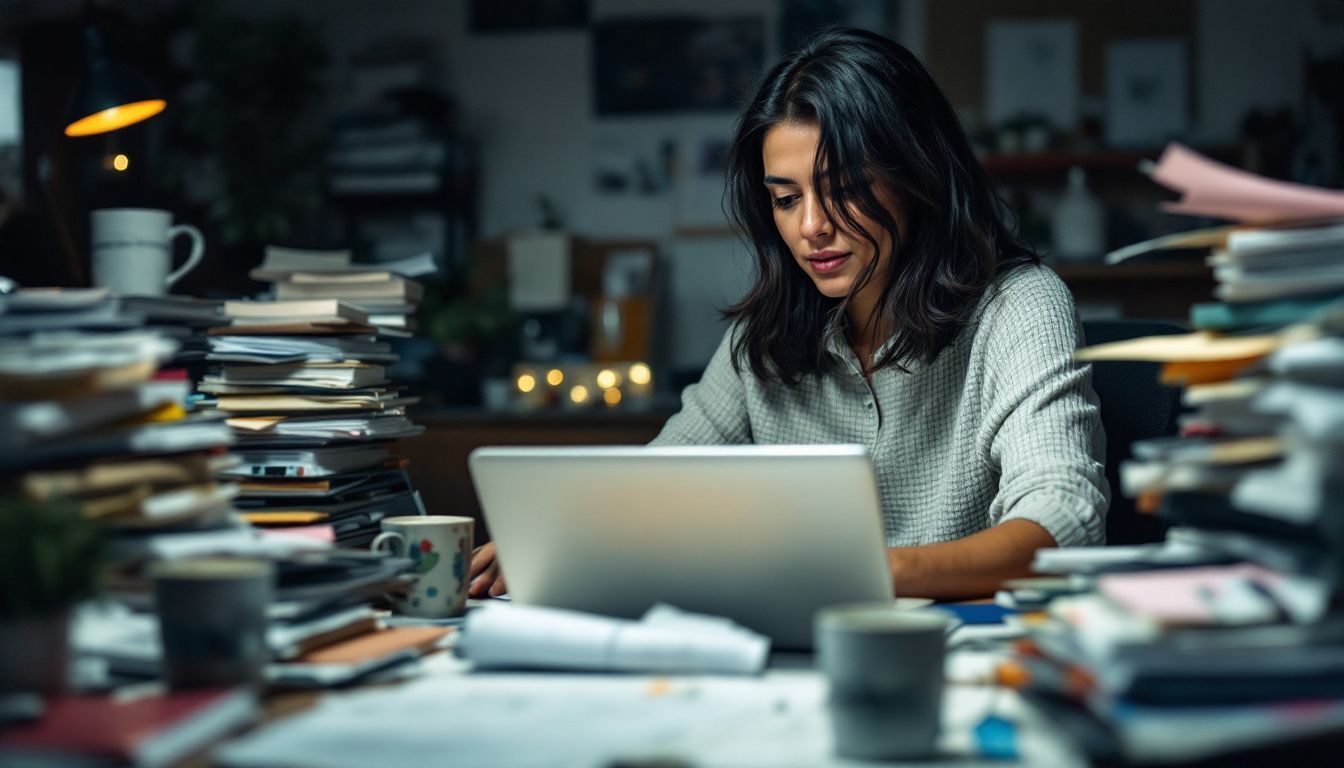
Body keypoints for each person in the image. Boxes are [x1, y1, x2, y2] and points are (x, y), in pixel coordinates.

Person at [470, 27, 1107, 600]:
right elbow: (660, 484)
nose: (810, 228)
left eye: (845, 190)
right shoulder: (767, 333)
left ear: (918, 176)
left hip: (963, 656)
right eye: (785, 199)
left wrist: (865, 574)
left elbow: (1063, 519)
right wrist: (564, 538)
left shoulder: (1019, 306)